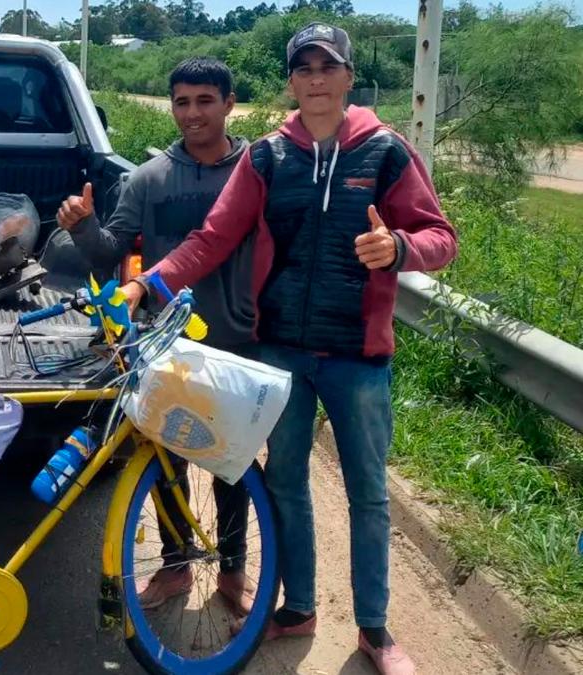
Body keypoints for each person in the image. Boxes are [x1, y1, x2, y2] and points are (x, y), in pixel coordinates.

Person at [119, 23, 457, 675]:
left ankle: (376, 629)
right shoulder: (270, 157)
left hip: (359, 354)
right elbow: (211, 238)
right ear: (292, 81)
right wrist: (148, 282)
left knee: (368, 493)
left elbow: (440, 236)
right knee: (285, 484)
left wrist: (400, 250)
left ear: (348, 77)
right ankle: (298, 606)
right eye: (303, 68)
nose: (316, 78)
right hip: (281, 353)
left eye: (327, 66)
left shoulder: (385, 152)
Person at [56, 57, 257, 615]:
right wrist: (81, 227)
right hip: (166, 341)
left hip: (238, 336)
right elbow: (108, 253)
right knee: (167, 458)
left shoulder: (254, 172)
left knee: (233, 462)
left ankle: (234, 571)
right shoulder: (145, 180)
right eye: (182, 102)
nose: (192, 114)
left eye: (204, 101)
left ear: (229, 103)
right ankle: (175, 567)